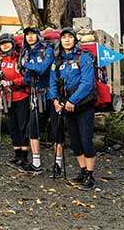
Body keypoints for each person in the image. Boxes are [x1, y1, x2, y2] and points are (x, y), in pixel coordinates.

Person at [49, 27, 97, 191]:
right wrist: (55, 99)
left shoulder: (84, 58)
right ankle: (83, 171)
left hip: (83, 105)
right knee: (75, 141)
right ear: (60, 41)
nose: (67, 40)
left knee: (86, 139)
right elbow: (53, 82)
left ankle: (90, 175)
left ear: (75, 40)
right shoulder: (58, 62)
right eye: (64, 38)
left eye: (70, 37)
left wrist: (72, 100)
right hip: (66, 107)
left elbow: (87, 83)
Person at [19, 24, 57, 174]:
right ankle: (36, 163)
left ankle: (58, 164)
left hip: (52, 95)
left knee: (56, 130)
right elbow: (27, 78)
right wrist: (28, 69)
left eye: (33, 33)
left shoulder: (47, 50)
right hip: (37, 95)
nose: (30, 36)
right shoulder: (27, 53)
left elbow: (43, 68)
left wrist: (27, 65)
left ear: (38, 35)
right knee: (32, 128)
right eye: (27, 34)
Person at [0, 33, 29, 167]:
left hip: (21, 96)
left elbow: (26, 78)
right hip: (6, 98)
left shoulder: (19, 60)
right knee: (12, 126)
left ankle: (24, 155)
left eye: (7, 42)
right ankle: (16, 153)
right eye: (2, 43)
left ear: (12, 44)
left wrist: (12, 82)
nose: (5, 45)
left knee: (22, 125)